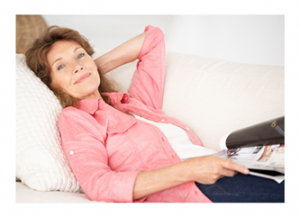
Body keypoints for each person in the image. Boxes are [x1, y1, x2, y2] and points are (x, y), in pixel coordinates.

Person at [25, 25, 284, 203]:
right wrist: (190, 170)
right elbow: (98, 183)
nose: (77, 65)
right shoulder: (77, 119)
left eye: (80, 55)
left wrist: (89, 70)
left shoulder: (134, 103)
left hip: (228, 164)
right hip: (197, 186)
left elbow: (153, 39)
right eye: (61, 66)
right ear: (52, 84)